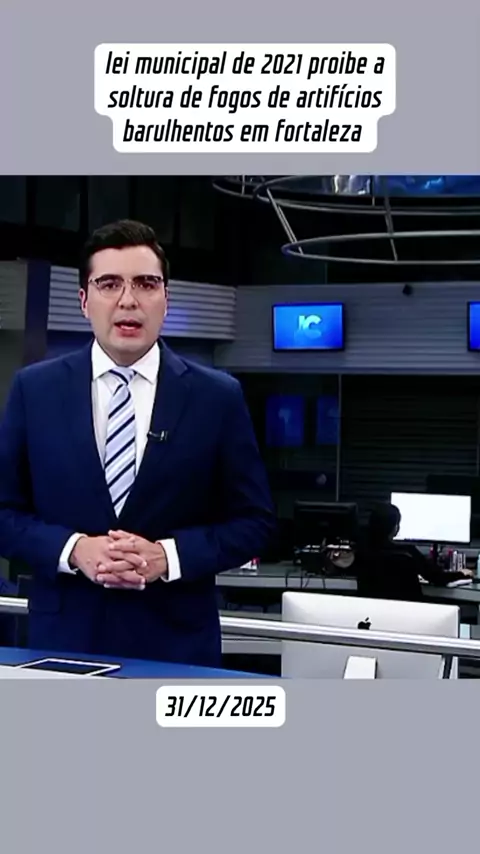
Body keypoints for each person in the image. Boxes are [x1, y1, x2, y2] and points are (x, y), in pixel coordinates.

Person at [0, 219, 276, 667]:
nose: (128, 300)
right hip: (63, 646)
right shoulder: (35, 390)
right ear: (84, 301)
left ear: (166, 299)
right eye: (109, 284)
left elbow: (255, 522)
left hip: (177, 649)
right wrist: (74, 550)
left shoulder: (216, 397)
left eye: (146, 284)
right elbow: (4, 513)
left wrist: (166, 556)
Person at [354, 502, 470, 600]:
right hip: (408, 614)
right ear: (395, 528)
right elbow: (437, 577)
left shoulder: (361, 551)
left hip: (372, 613)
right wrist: (461, 574)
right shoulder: (406, 553)